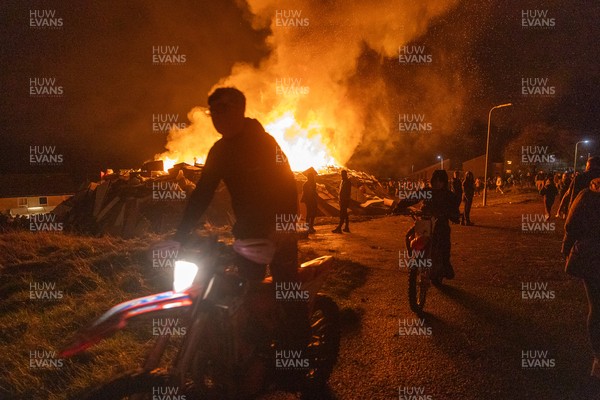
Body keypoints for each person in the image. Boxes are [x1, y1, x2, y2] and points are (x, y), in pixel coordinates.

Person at [173, 87, 307, 350]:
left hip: (279, 230)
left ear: (239, 110)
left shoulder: (264, 143)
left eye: (223, 108)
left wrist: (285, 227)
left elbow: (287, 184)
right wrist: (180, 234)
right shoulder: (219, 151)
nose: (216, 116)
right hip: (247, 233)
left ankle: (298, 355)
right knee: (246, 293)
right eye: (213, 111)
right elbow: (202, 194)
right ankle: (254, 352)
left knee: (287, 289)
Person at [562, 177, 600, 395]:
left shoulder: (586, 196)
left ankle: (598, 358)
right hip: (592, 256)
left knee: (596, 305)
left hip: (590, 257)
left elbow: (571, 225)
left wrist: (566, 248)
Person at [394, 170, 460, 283]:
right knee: (408, 236)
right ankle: (415, 259)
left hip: (440, 225)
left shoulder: (448, 195)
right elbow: (412, 198)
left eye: (440, 181)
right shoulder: (426, 191)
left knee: (444, 246)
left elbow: (454, 207)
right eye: (435, 180)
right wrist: (400, 205)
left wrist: (454, 215)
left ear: (444, 182)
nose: (437, 183)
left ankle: (445, 267)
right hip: (424, 223)